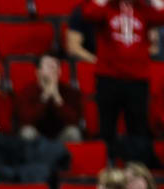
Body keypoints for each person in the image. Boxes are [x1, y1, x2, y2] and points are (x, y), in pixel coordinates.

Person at [82, 0, 164, 164]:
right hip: (108, 78)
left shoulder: (142, 9)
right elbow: (89, 13)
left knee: (137, 129)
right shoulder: (106, 8)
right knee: (107, 127)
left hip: (137, 79)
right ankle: (107, 166)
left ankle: (136, 169)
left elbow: (161, 15)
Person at [16, 54, 82, 142]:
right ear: (38, 71)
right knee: (27, 132)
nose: (53, 68)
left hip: (61, 136)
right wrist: (45, 96)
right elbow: (27, 119)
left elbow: (74, 120)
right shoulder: (27, 91)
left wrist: (57, 98)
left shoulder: (69, 91)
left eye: (56, 66)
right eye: (48, 66)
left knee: (73, 132)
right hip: (37, 137)